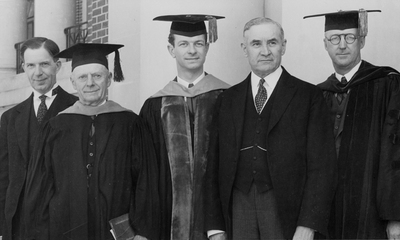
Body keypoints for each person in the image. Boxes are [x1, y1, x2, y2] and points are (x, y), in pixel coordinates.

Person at [204, 17, 337, 240]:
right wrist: (215, 227)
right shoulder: (227, 100)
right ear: (244, 49)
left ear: (283, 46)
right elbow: (213, 168)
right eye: (256, 44)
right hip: (239, 207)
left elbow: (322, 167)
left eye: (272, 43)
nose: (265, 51)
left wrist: (308, 224)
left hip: (287, 212)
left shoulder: (308, 96)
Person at [23, 43, 159, 240]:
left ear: (109, 79)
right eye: (82, 77)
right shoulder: (55, 127)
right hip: (64, 230)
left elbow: (145, 181)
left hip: (119, 231)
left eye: (97, 76)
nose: (90, 83)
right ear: (72, 82)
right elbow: (39, 188)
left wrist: (142, 232)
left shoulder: (131, 123)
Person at [304, 9, 400, 239]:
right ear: (325, 44)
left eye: (350, 37)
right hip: (327, 212)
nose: (342, 45)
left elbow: (395, 154)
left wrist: (395, 216)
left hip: (371, 209)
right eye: (334, 38)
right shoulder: (317, 94)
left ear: (362, 40)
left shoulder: (387, 85)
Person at [139, 14, 229, 240]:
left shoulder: (228, 98)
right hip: (167, 217)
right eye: (184, 44)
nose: (192, 50)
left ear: (207, 48)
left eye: (198, 43)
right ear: (171, 50)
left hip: (218, 222)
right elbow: (146, 173)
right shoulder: (154, 105)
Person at [0, 37, 78, 240]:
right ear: (24, 67)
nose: (38, 72)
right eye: (31, 65)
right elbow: (4, 177)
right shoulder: (10, 117)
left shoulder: (77, 109)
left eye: (44, 64)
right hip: (19, 224)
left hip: (63, 222)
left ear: (57, 65)